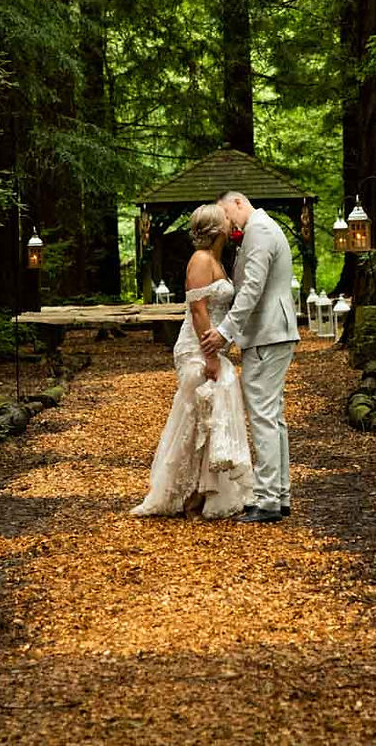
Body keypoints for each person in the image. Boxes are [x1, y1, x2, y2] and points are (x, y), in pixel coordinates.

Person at [130, 204, 252, 519]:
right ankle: (186, 493)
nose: (231, 220)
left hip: (212, 344)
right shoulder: (200, 260)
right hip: (197, 346)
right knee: (199, 411)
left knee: (210, 411)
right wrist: (210, 356)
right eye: (226, 218)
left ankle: (203, 489)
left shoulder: (216, 260)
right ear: (217, 228)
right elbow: (198, 310)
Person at [201, 191, 299, 524]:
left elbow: (253, 288)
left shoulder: (260, 230)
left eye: (225, 214)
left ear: (239, 203)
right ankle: (279, 494)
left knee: (263, 416)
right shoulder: (262, 228)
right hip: (271, 333)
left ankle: (269, 500)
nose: (225, 223)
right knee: (273, 415)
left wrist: (224, 332)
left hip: (268, 333)